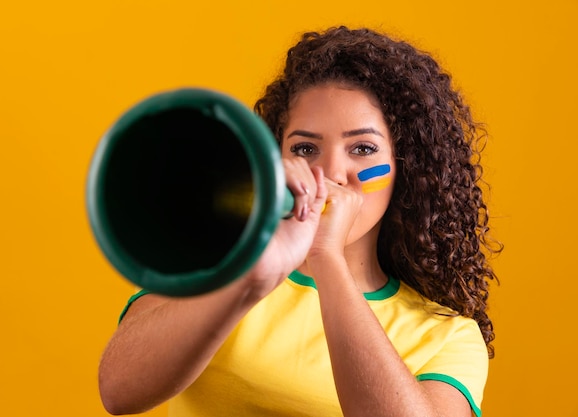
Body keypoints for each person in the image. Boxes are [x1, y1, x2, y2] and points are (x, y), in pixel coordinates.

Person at [98, 26, 502, 417]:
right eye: (306, 147)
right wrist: (251, 277)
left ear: (406, 169)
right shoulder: (211, 265)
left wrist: (327, 256)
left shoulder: (447, 336)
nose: (330, 172)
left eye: (362, 148)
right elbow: (118, 390)